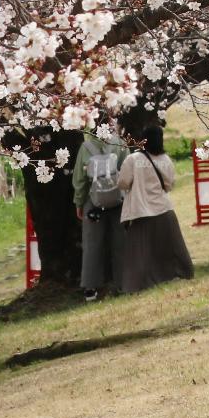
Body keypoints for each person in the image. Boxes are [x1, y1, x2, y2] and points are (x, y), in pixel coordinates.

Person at [116, 125, 194, 294]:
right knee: (171, 249)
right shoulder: (165, 159)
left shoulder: (133, 159)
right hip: (164, 210)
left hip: (141, 212)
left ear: (144, 139)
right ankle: (180, 273)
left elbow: (122, 182)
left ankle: (137, 285)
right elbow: (170, 185)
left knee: (139, 253)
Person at [72, 129, 127, 301]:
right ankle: (122, 282)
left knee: (91, 243)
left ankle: (90, 287)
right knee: (120, 241)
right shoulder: (120, 143)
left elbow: (80, 179)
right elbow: (127, 171)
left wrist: (79, 202)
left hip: (93, 200)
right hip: (118, 199)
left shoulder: (85, 147)